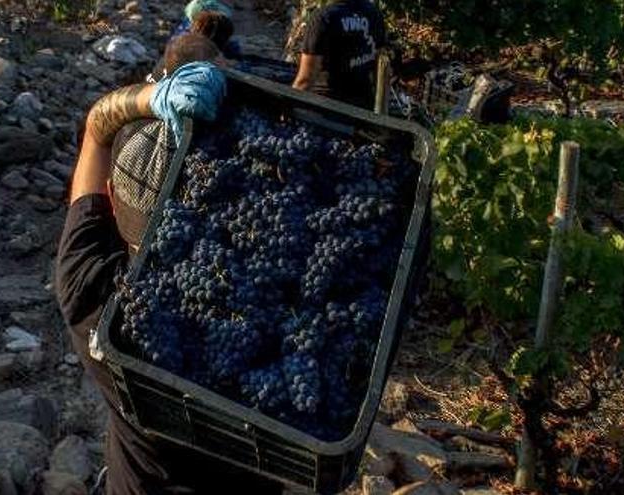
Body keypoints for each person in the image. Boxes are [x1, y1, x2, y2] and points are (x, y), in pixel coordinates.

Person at [55, 34, 283, 494]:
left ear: (113, 205)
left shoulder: (89, 291)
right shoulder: (264, 285)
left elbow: (97, 129)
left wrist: (148, 97)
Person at [292, 0, 387, 109]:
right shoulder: (374, 13)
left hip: (328, 108)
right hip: (363, 107)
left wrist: (287, 108)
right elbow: (379, 65)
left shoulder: (323, 18)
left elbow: (306, 80)